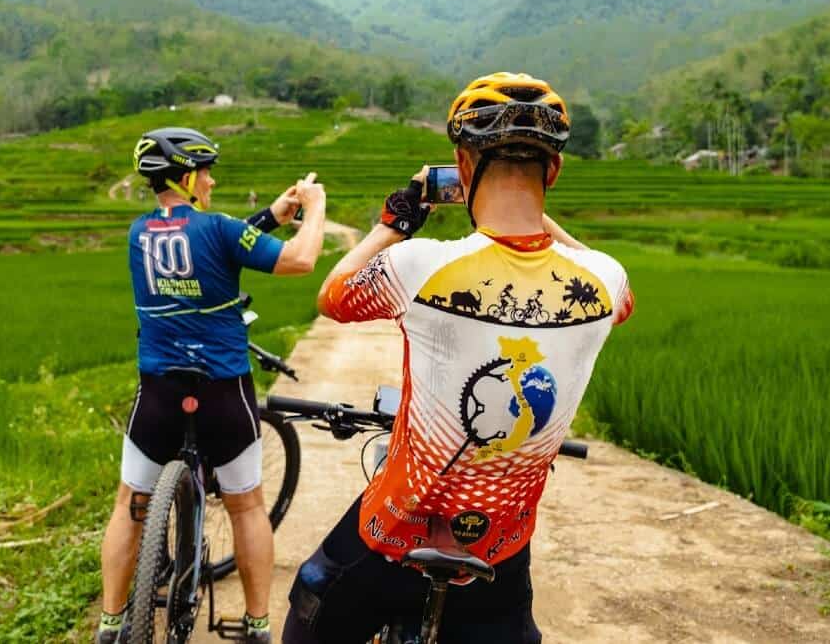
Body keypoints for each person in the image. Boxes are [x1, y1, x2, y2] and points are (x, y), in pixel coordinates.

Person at [284, 73, 634, 644]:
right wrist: (536, 216)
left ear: (462, 166)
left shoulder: (421, 265)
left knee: (313, 600)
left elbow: (334, 295)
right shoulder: (606, 280)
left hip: (393, 539)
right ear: (555, 171)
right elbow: (616, 292)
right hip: (500, 552)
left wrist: (396, 219)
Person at [96, 127, 327, 644]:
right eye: (205, 171)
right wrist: (314, 207)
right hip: (223, 390)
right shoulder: (219, 228)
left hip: (158, 391)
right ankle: (258, 623)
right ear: (184, 176)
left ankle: (110, 624)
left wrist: (271, 215)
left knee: (128, 502)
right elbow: (300, 260)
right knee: (246, 505)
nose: (212, 179)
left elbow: (208, 242)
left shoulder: (139, 233)